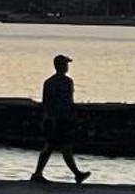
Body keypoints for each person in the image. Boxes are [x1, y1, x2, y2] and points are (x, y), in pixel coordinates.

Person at [32, 54, 91, 184]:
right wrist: (72, 116)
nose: (67, 67)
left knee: (51, 146)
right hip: (61, 118)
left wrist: (47, 117)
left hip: (54, 118)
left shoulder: (49, 82)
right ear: (61, 66)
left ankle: (38, 173)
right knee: (63, 147)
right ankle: (76, 174)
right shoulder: (67, 82)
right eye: (65, 64)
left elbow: (46, 102)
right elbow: (69, 101)